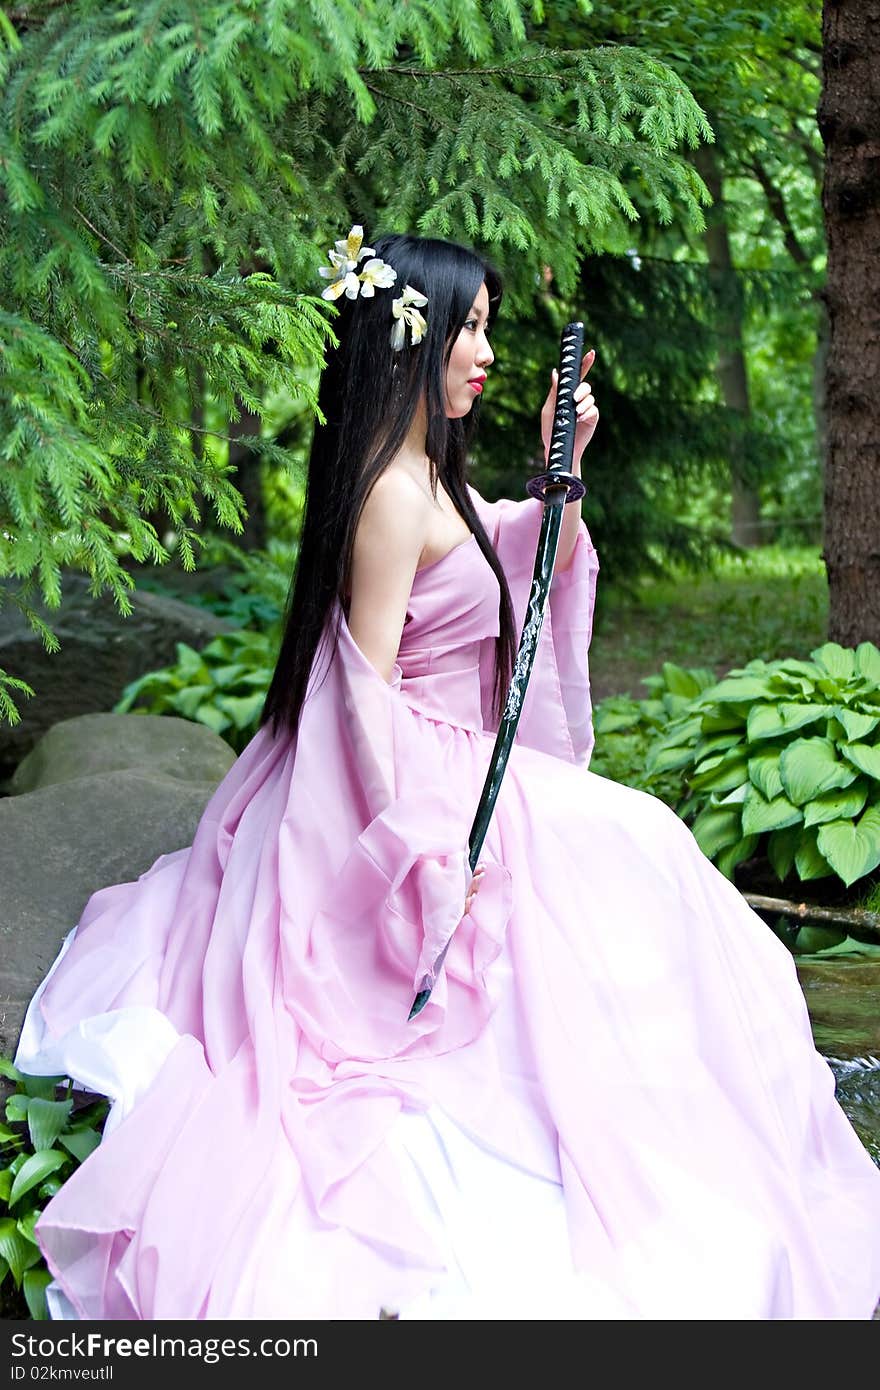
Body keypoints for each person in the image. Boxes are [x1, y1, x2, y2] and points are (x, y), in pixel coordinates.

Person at [15, 228, 880, 1321]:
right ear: (407, 336)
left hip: (465, 765)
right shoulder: (384, 491)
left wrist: (559, 471)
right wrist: (412, 849)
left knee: (641, 851)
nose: (484, 352)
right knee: (630, 852)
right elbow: (360, 685)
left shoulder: (431, 474)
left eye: (485, 328)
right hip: (415, 775)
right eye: (468, 328)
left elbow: (506, 550)